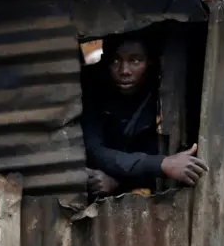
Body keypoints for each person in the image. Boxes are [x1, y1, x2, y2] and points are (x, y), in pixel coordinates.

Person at [81, 34, 208, 198]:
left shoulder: (167, 101)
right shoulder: (95, 97)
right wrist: (162, 164)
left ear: (150, 62)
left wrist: (120, 182)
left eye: (135, 61)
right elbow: (95, 152)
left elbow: (175, 162)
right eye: (116, 61)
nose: (124, 71)